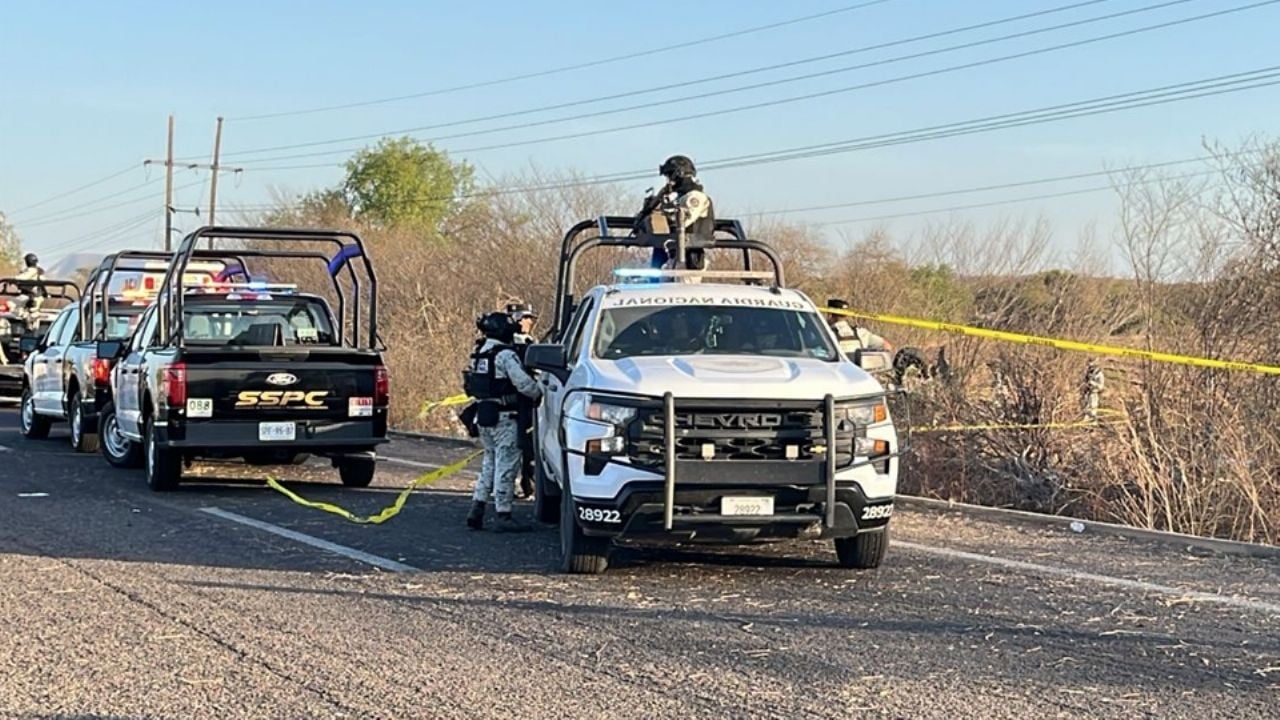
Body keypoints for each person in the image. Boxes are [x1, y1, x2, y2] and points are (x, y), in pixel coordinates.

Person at [463, 311, 543, 532]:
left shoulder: (480, 352)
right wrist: (540, 393)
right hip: (505, 418)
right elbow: (524, 384)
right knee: (507, 465)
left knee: (489, 462)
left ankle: (477, 509)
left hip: (484, 415)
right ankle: (503, 514)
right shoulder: (505, 355)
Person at [640, 155, 716, 270]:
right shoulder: (679, 197)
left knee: (685, 287)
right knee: (657, 284)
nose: (669, 181)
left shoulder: (695, 197)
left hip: (688, 257)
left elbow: (682, 221)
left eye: (670, 176)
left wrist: (664, 212)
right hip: (671, 253)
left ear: (679, 174)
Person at [506, 302, 539, 499]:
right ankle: (519, 490)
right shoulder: (515, 347)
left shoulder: (526, 342)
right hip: (519, 404)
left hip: (522, 404)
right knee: (521, 448)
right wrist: (538, 392)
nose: (530, 322)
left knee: (527, 449)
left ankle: (528, 487)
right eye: (527, 318)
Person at [824, 299, 891, 355]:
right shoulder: (861, 333)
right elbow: (887, 346)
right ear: (846, 315)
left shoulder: (825, 334)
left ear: (830, 315)